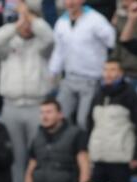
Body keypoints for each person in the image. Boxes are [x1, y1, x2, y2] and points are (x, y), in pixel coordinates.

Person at [0, 3, 54, 182]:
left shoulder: (42, 46)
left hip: (37, 106)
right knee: (17, 159)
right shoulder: (8, 44)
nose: (26, 25)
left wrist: (32, 18)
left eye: (30, 21)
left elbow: (49, 36)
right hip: (11, 107)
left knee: (39, 155)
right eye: (23, 20)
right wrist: (17, 23)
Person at [50, 0, 117, 128]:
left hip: (91, 79)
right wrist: (53, 71)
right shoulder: (61, 22)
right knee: (60, 118)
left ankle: (84, 147)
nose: (70, 3)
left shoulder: (95, 19)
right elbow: (59, 50)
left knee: (84, 121)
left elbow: (112, 41)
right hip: (69, 78)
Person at [87, 58, 137, 182]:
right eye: (106, 70)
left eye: (113, 70)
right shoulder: (98, 93)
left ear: (121, 73)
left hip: (120, 160)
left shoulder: (130, 94)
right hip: (99, 158)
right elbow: (90, 123)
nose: (108, 74)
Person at [24, 99, 90, 182]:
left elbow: (84, 165)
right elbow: (31, 168)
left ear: (60, 114)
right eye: (42, 112)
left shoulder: (76, 134)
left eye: (49, 112)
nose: (44, 116)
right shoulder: (37, 137)